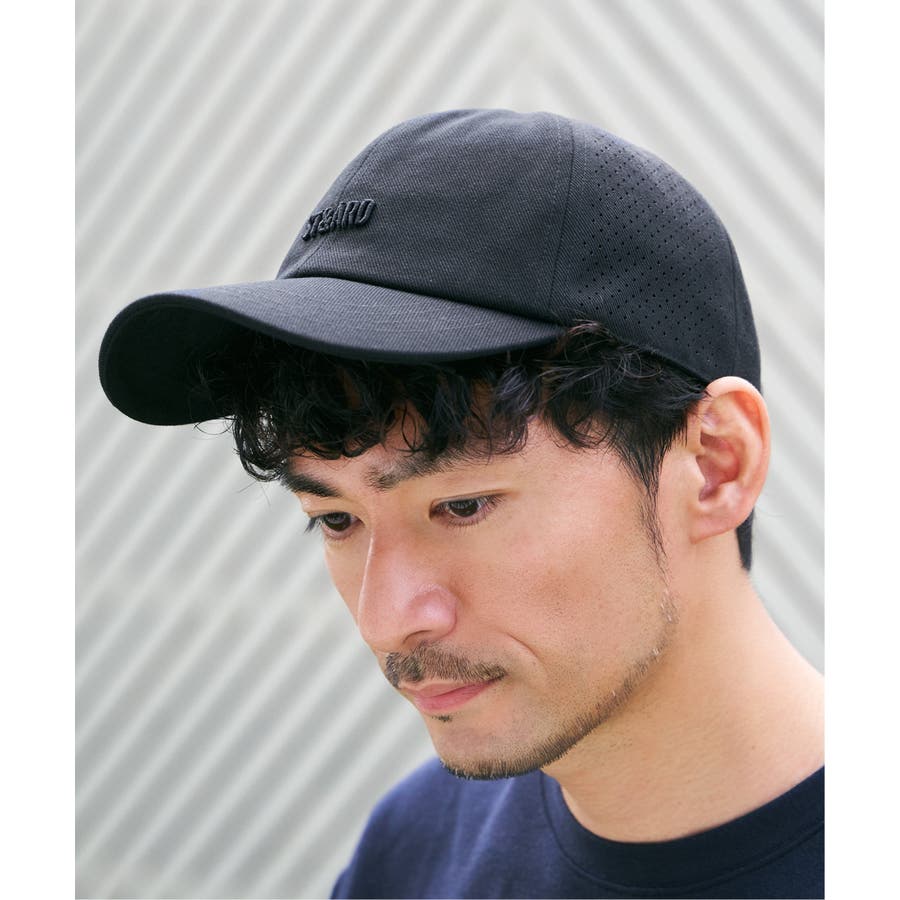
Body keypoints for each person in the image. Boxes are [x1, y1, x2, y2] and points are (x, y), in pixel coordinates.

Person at [99, 109, 824, 899]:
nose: (386, 621)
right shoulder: (417, 848)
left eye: (464, 506)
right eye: (337, 519)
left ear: (716, 464)